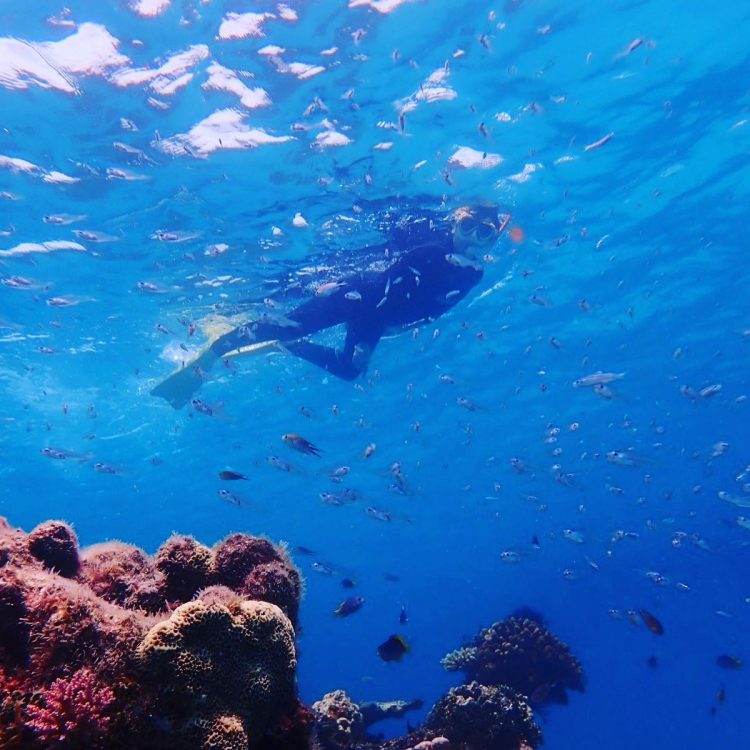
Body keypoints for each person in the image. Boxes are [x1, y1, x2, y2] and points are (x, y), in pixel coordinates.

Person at [152, 202, 508, 408]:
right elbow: (395, 276)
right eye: (467, 226)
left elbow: (437, 309)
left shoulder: (473, 275)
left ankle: (287, 345)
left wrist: (398, 327)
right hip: (357, 298)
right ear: (454, 223)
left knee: (350, 371)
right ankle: (209, 356)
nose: (472, 237)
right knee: (285, 323)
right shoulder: (431, 249)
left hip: (378, 321)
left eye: (485, 233)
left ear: (493, 240)